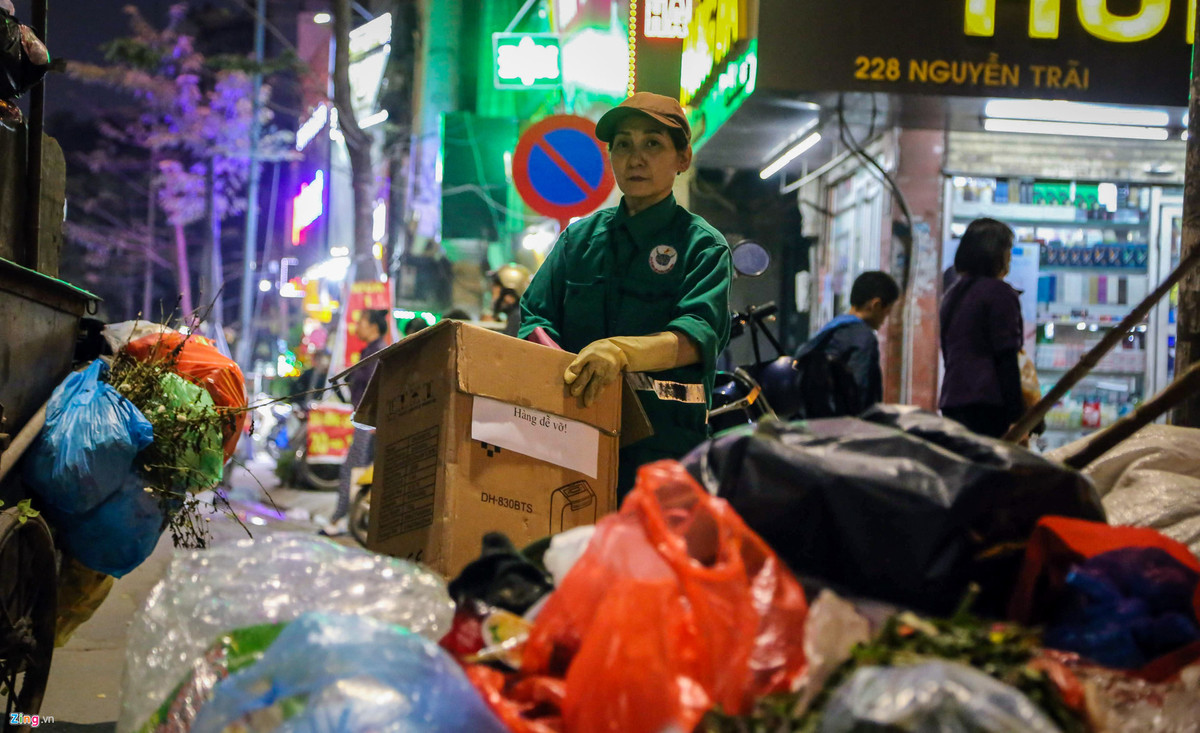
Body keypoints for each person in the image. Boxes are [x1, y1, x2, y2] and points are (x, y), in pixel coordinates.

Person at [519, 92, 732, 499]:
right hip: (572, 443)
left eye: (653, 144)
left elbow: (695, 337)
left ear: (682, 159)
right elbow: (533, 317)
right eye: (624, 145)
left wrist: (619, 352)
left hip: (662, 458)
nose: (636, 158)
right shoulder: (579, 240)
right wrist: (562, 363)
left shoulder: (702, 247)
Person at [939, 218, 1024, 439]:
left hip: (953, 400)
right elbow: (1005, 357)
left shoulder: (952, 294)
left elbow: (948, 352)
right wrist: (1017, 417)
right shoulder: (1000, 293)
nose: (1010, 258)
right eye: (1008, 250)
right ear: (995, 253)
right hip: (988, 404)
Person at [792, 270, 899, 416]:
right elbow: (859, 394)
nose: (884, 320)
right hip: (843, 427)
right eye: (886, 313)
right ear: (876, 305)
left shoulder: (832, 329)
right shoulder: (863, 337)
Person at [324, 309, 390, 535]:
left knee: (352, 471)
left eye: (361, 321)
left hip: (369, 425)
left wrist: (374, 424)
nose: (357, 326)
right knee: (356, 471)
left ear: (373, 327)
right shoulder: (370, 351)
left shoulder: (377, 353)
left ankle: (340, 520)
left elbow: (378, 390)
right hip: (366, 422)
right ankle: (346, 520)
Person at [489, 263, 533, 337]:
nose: (493, 297)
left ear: (509, 295)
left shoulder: (517, 319)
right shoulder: (519, 317)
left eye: (496, 290)